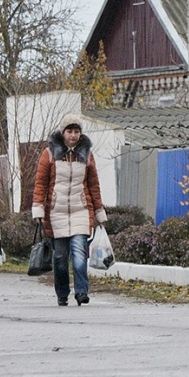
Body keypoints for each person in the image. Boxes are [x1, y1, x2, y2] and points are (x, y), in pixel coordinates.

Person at [31, 115, 108, 306]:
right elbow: (40, 184)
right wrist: (38, 209)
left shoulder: (87, 155)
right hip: (56, 212)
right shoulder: (49, 154)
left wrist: (99, 212)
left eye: (76, 131)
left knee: (80, 255)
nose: (73, 135)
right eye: (69, 131)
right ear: (63, 133)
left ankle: (82, 292)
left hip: (81, 211)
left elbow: (93, 185)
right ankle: (62, 293)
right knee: (60, 258)